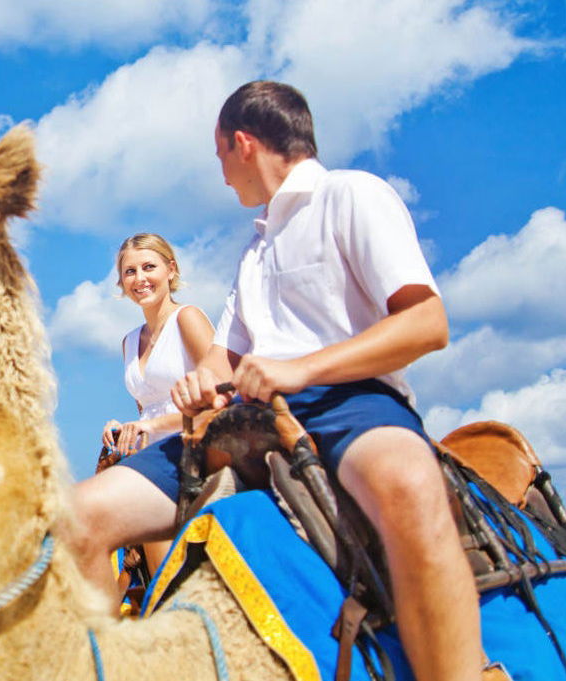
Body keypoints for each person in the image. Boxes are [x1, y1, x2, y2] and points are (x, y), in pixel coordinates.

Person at [161, 81, 479, 681]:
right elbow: (222, 361)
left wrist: (302, 368)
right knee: (87, 514)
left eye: (220, 156)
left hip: (350, 402)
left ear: (243, 143)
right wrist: (197, 384)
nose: (222, 173)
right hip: (248, 418)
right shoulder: (253, 251)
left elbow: (428, 323)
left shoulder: (352, 194)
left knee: (411, 485)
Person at [96, 233, 214, 575]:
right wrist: (122, 430)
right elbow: (146, 411)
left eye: (149, 267)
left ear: (171, 270)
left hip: (195, 448)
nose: (140, 278)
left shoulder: (187, 319)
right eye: (130, 271)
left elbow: (221, 396)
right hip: (150, 455)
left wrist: (152, 426)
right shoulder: (129, 342)